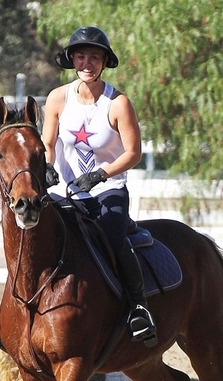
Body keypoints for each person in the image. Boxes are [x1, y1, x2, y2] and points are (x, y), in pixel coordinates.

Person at [43, 26, 157, 346]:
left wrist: (101, 175)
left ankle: (138, 307)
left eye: (94, 56)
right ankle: (14, 309)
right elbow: (48, 144)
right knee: (33, 235)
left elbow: (133, 153)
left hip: (108, 190)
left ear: (105, 61)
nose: (87, 63)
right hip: (65, 190)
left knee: (111, 237)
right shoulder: (57, 99)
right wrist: (48, 170)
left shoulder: (118, 103)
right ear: (72, 60)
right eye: (80, 56)